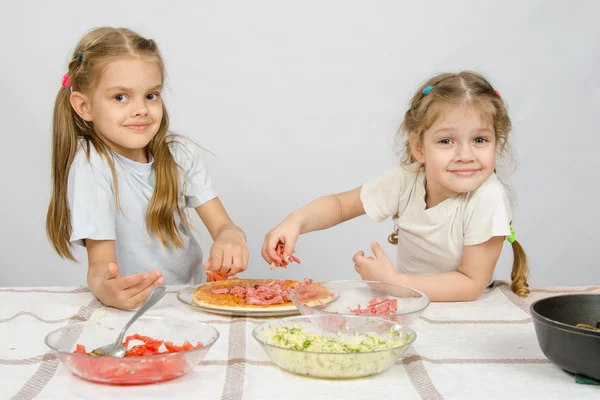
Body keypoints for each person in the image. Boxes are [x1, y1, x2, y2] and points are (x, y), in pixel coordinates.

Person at [262, 71, 529, 301]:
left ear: (497, 141)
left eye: (480, 140)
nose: (466, 154)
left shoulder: (488, 197)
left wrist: (394, 283)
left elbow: (470, 284)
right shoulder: (407, 180)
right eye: (446, 141)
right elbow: (341, 205)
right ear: (418, 148)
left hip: (465, 310)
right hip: (410, 301)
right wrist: (295, 221)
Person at [46, 27, 248, 310]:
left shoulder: (178, 154)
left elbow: (224, 225)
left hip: (193, 298)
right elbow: (100, 266)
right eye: (120, 97)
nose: (141, 109)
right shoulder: (94, 165)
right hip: (136, 308)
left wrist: (230, 238)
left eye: (151, 95)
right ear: (84, 107)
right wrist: (107, 289)